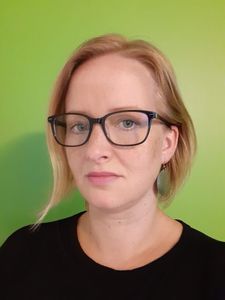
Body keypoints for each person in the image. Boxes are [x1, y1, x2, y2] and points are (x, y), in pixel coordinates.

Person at [0, 33, 224, 300]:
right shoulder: (21, 255)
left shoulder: (216, 272)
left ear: (167, 143)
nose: (94, 151)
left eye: (127, 122)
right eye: (79, 125)